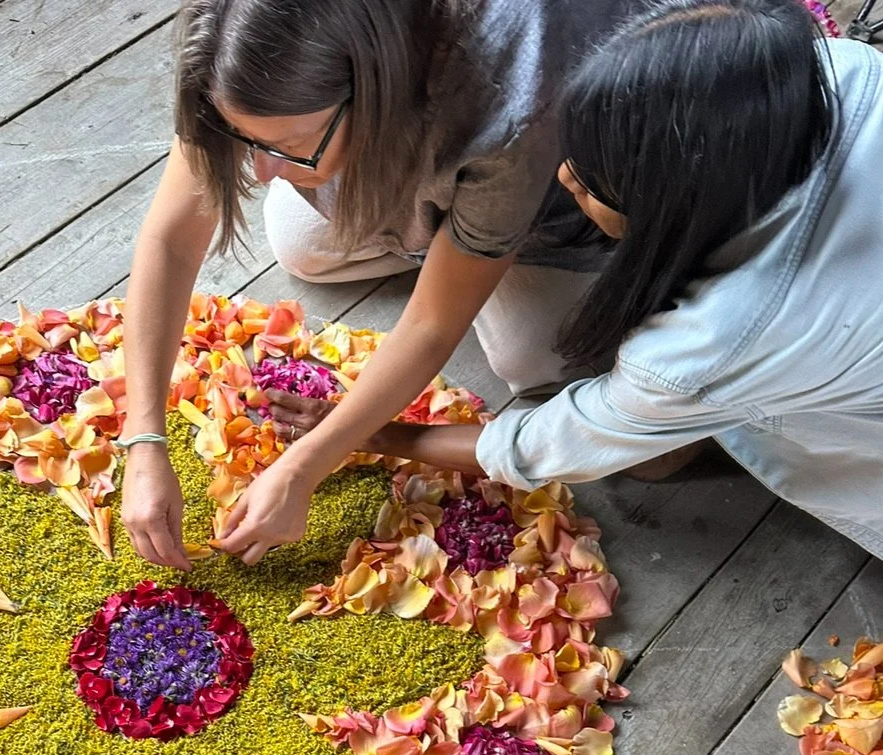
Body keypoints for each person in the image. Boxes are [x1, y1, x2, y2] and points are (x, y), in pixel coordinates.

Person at [268, 0, 883, 561]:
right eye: (572, 153)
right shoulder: (848, 70)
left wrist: (381, 434)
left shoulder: (708, 345)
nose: (564, 180)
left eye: (592, 184)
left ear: (673, 212)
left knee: (650, 459)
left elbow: (538, 447)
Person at [118, 0, 662, 569]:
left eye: (286, 146)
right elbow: (172, 240)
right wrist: (144, 438)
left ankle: (469, 251)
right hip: (413, 164)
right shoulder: (239, 56)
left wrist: (304, 466)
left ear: (373, 93)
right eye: (244, 138)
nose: (259, 173)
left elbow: (430, 326)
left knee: (530, 358)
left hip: (560, 207)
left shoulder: (510, 107)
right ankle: (444, 243)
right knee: (297, 243)